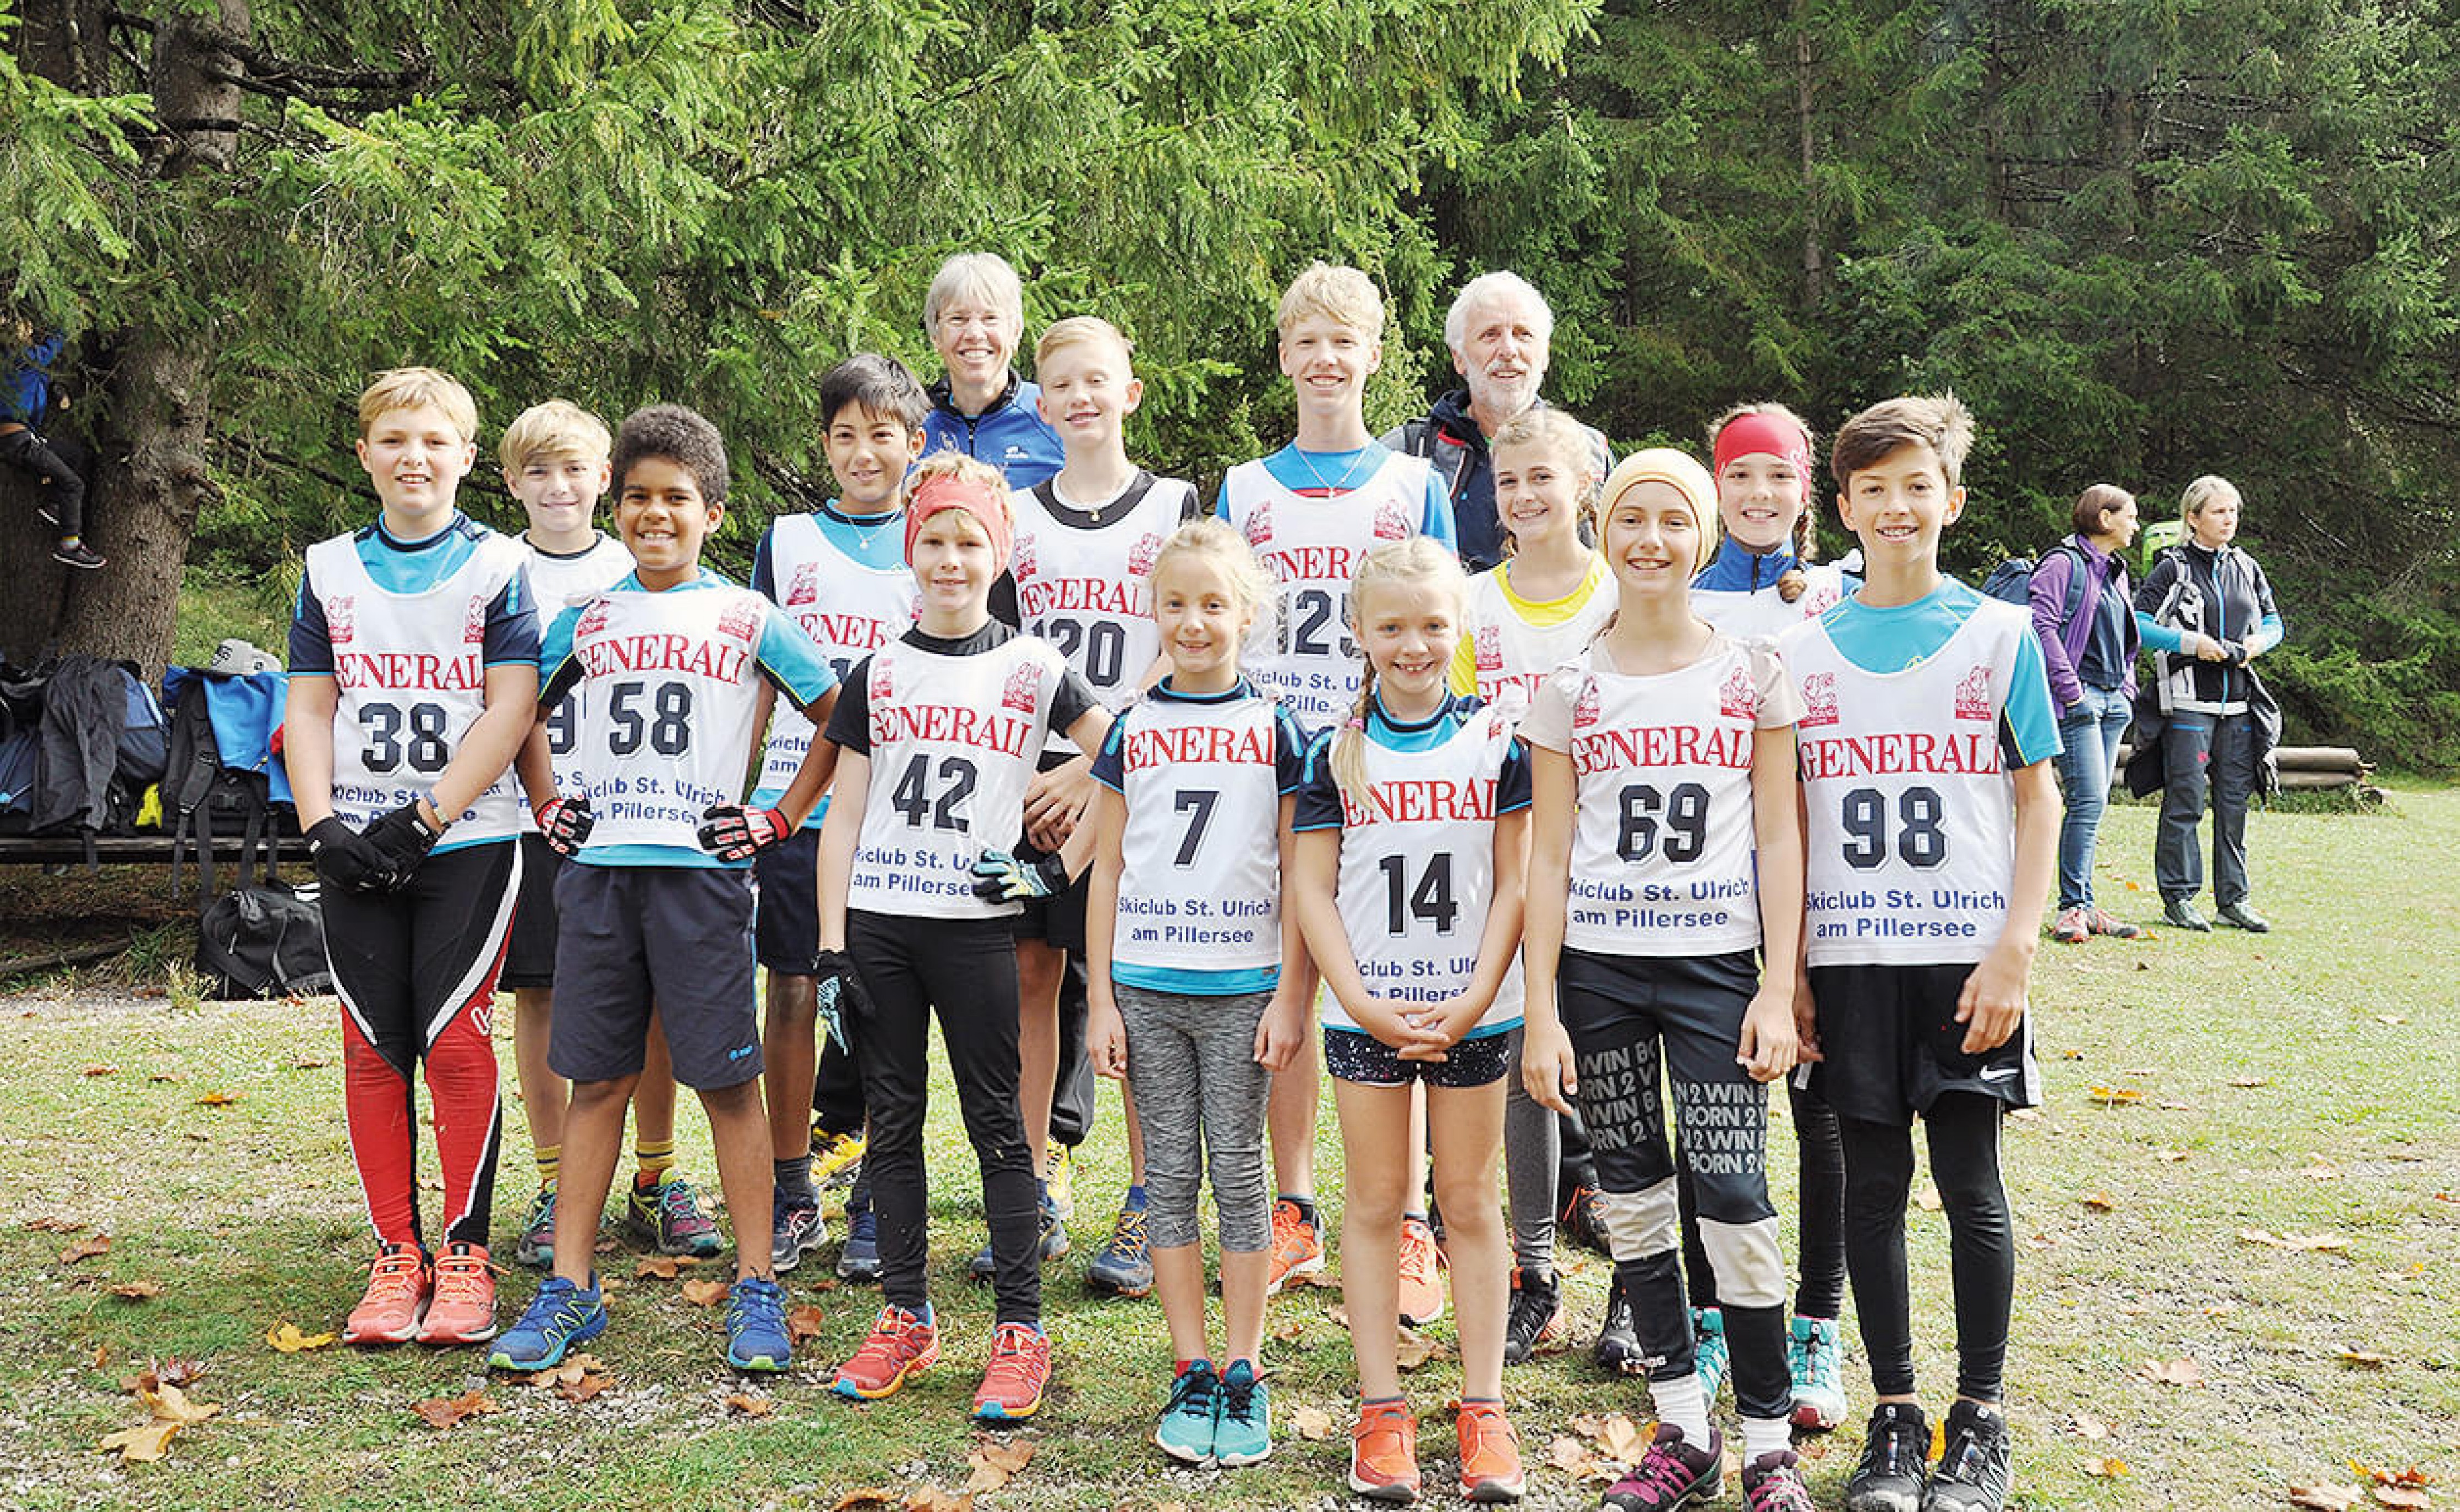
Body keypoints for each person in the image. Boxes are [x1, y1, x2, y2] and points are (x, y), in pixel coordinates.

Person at [490, 404, 841, 1375]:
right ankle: (571, 1286)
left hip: (703, 879)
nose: (656, 513)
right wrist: (545, 798)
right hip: (601, 875)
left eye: (677, 497)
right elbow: (520, 709)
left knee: (727, 1082)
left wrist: (778, 816)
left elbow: (838, 713)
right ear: (618, 505)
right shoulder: (588, 615)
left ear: (713, 513)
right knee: (598, 1078)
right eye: (639, 495)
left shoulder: (746, 614)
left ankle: (758, 1281)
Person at [1518, 447, 1817, 1511]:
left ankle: (1770, 1445)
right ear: (1604, 532)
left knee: (1733, 1197)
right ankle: (1684, 1427)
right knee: (1635, 1198)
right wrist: (1541, 1009)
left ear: (1704, 536)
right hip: (1600, 974)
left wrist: (1776, 986)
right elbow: (1547, 856)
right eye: (1632, 518)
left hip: (1713, 968)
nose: (1652, 539)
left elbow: (1779, 837)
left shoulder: (1750, 672)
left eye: (1674, 519)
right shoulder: (1571, 685)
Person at [1778, 395, 2059, 1512]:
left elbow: (2040, 801)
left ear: (1953, 500)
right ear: (1844, 508)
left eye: (1917, 486)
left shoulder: (2000, 634)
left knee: (1970, 1178)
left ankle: (1978, 1418)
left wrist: (2017, 948)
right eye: (1874, 489)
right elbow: (1786, 823)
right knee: (1872, 1186)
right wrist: (1791, 969)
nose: (1897, 506)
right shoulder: (1797, 652)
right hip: (1850, 957)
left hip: (1964, 954)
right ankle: (1893, 1416)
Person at [818, 453, 1112, 1422]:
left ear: (1000, 555)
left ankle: (1021, 1327)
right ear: (911, 551)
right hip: (882, 923)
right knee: (893, 1121)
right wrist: (831, 944)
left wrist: (1055, 871)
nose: (951, 559)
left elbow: (1122, 757)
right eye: (934, 541)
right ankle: (906, 1312)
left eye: (969, 542)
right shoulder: (876, 670)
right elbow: (845, 816)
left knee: (998, 1125)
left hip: (977, 925)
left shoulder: (1033, 666)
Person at [283, 366, 538, 1347]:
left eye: (434, 441)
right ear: (364, 454)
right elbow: (312, 705)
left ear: (467, 456)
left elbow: (511, 706)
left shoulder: (498, 564)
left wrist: (427, 817)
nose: (413, 458)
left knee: (456, 1039)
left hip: (467, 836)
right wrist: (322, 826)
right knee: (371, 1044)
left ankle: (465, 1254)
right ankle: (397, 1253)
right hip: (354, 838)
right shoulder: (328, 568)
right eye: (394, 440)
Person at [1216, 261, 1456, 1301]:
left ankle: (1407, 1216)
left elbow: (1447, 628)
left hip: (1383, 754)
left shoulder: (1415, 486)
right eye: (1307, 341)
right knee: (1291, 975)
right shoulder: (1245, 486)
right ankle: (1296, 1204)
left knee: (1400, 972)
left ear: (1372, 355)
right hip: (1276, 756)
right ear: (1284, 355)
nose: (1324, 359)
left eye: (1343, 341)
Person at [1289, 537, 1528, 1505]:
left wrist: (1473, 998)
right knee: (1376, 1201)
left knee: (1467, 1200)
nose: (1414, 644)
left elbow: (1515, 882)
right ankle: (1381, 1406)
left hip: (1475, 1009)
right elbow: (1311, 890)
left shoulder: (1499, 742)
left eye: (1433, 624)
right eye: (1392, 626)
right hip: (1368, 1013)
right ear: (1359, 630)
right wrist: (1354, 999)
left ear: (1460, 627)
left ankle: (1484, 1405)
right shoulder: (1332, 750)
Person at [1084, 517, 1312, 1468]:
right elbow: (1105, 871)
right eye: (1175, 604)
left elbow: (1300, 875)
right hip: (1146, 987)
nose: (1192, 622)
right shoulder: (1132, 729)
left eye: (1213, 604)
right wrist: (1101, 999)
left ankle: (1245, 1368)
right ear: (1154, 610)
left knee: (1242, 1172)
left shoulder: (1276, 728)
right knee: (1170, 1176)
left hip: (1241, 987)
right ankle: (1190, 1365)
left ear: (1246, 614)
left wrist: (1290, 995)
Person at [993, 315, 1201, 1299]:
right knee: (1031, 978)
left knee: (1132, 987)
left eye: (1098, 380)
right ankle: (1032, 1180)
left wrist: (1097, 758)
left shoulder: (1171, 504)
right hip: (1031, 783)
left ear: (1131, 392)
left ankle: (1149, 1194)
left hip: (1135, 777)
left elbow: (1181, 641)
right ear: (1041, 406)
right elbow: (1001, 650)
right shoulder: (1014, 514)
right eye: (1063, 385)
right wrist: (1042, 771)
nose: (1081, 397)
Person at [495, 399, 719, 1273]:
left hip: (645, 821)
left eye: (575, 470)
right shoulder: (497, 570)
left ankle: (656, 1177)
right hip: (537, 818)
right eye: (538, 470)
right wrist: (543, 798)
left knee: (654, 999)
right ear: (510, 482)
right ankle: (556, 1182)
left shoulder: (645, 562)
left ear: (605, 482)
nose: (558, 487)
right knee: (542, 995)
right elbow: (510, 704)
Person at [1687, 402, 1855, 1433]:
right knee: (1710, 1107)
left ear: (1804, 492)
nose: (1758, 494)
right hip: (1705, 889)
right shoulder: (1671, 586)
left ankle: (1816, 1323)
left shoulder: (1838, 593)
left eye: (1778, 477)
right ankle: (1709, 1311)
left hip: (1816, 882)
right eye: (1740, 475)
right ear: (1716, 486)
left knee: (1818, 1106)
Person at [749, 354, 930, 1281]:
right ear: (823, 445)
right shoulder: (786, 542)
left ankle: (877, 1191)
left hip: (904, 812)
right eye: (846, 436)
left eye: (882, 434)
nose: (864, 453)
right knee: (789, 989)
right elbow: (752, 674)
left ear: (915, 443)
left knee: (890, 998)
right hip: (798, 803)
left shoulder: (939, 537)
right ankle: (791, 1185)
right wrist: (744, 795)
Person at [1446, 405, 1617, 1370]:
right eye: (1508, 482)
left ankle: (1638, 1281)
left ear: (1583, 484)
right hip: (1508, 860)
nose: (1523, 496)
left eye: (1541, 477)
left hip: (1609, 862)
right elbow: (1454, 720)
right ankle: (1535, 1274)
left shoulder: (1616, 592)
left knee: (1615, 1065)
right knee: (1522, 1069)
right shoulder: (1475, 602)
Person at [2134, 475, 2284, 934]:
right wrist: (2191, 643)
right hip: (2187, 704)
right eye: (2219, 512)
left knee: (2234, 805)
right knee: (2185, 802)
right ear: (2193, 518)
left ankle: (2233, 901)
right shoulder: (2172, 568)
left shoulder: (2248, 567)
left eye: (2233, 511)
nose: (2228, 520)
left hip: (2238, 707)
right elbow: (2137, 623)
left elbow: (2275, 622)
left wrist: (2259, 644)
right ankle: (2178, 898)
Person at [1383, 271, 1610, 573]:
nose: (1508, 351)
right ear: (1459, 358)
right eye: (1490, 335)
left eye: (1523, 334)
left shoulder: (1591, 453)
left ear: (1545, 356)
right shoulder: (1409, 453)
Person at [2031, 483, 2150, 945]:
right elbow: (2041, 626)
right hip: (2078, 702)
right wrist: (2072, 693)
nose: (2136, 525)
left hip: (2112, 701)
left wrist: (2127, 690)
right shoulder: (2062, 564)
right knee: (2086, 801)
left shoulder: (2116, 572)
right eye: (2130, 516)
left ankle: (2084, 903)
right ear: (2104, 518)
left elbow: (2125, 636)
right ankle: (2072, 909)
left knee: (2094, 803)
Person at [920, 251, 1064, 486]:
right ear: (936, 335)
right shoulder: (912, 423)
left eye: (990, 318)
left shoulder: (1054, 417)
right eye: (958, 319)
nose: (975, 334)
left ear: (1015, 332)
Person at [1, 320, 102, 569]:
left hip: (24, 438)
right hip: (17, 440)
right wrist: (70, 319)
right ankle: (70, 545)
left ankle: (57, 506)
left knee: (75, 456)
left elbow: (39, 382)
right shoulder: (20, 359)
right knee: (74, 485)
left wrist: (57, 391)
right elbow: (52, 347)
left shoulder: (24, 365)